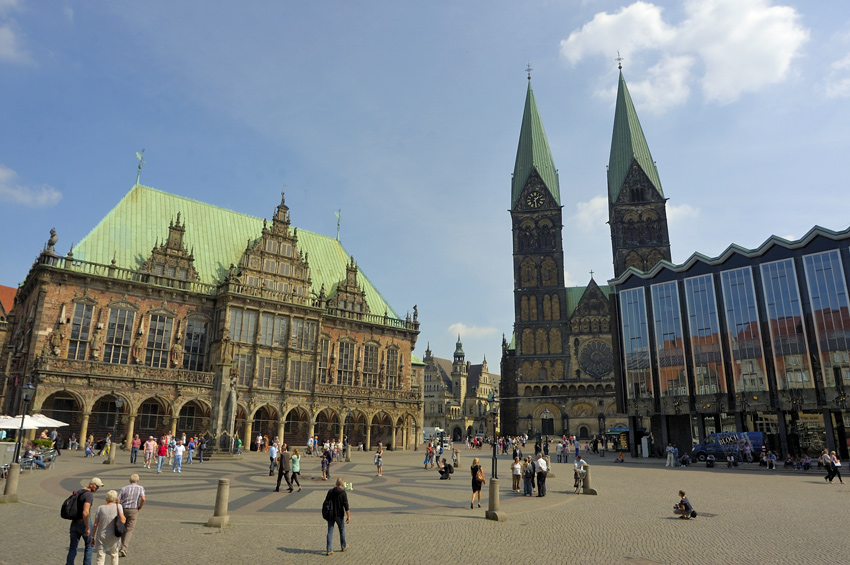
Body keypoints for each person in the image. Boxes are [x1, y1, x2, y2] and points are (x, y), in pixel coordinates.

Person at [66, 477, 103, 565]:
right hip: (83, 522)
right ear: (91, 485)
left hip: (74, 523)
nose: (97, 488)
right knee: (89, 546)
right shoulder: (88, 495)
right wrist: (87, 527)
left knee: (73, 547)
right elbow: (85, 512)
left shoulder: (79, 491)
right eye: (96, 486)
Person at [91, 489, 126, 564]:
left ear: (106, 498)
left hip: (101, 536)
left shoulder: (100, 508)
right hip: (113, 536)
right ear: (115, 498)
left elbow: (95, 524)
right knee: (114, 555)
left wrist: (92, 537)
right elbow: (123, 521)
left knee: (100, 557)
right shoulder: (118, 506)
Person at [117, 475, 145, 558]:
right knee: (130, 529)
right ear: (138, 481)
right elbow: (143, 498)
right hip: (133, 509)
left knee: (122, 527)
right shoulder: (140, 488)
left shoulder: (124, 488)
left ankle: (121, 545)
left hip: (123, 509)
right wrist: (140, 507)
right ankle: (124, 547)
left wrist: (119, 508)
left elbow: (118, 500)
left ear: (130, 480)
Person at [324, 477, 351, 555]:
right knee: (341, 530)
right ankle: (343, 546)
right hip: (339, 515)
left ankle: (329, 549)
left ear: (336, 484)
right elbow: (346, 506)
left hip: (330, 514)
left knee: (330, 531)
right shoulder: (343, 493)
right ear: (342, 484)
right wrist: (348, 516)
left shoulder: (330, 491)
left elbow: (326, 503)